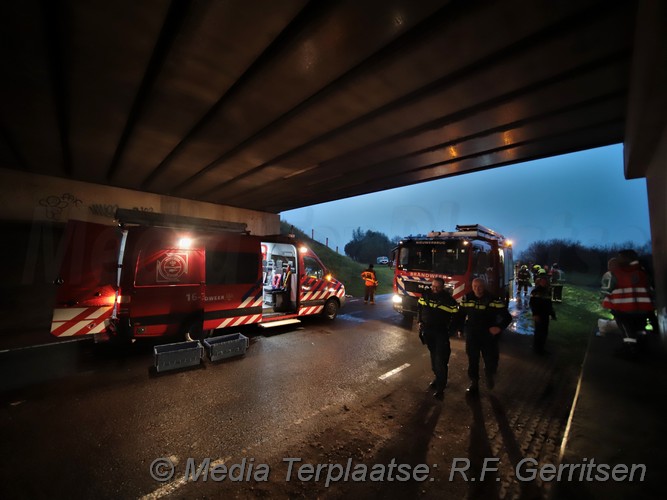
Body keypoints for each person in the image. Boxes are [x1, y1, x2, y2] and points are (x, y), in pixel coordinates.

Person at [455, 278, 512, 394]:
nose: (477, 289)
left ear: (484, 287)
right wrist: (460, 329)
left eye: (480, 286)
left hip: (488, 335)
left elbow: (507, 317)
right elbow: (460, 315)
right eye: (475, 286)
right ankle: (474, 383)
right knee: (473, 360)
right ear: (472, 287)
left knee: (490, 359)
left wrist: (499, 328)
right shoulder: (467, 298)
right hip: (472, 334)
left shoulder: (493, 299)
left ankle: (489, 376)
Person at [417, 278, 459, 400]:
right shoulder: (425, 295)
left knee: (440, 360)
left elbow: (456, 318)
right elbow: (419, 308)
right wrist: (420, 321)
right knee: (433, 357)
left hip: (441, 333)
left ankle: (441, 387)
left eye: (437, 287)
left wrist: (450, 331)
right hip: (428, 332)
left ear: (442, 287)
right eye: (433, 286)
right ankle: (437, 378)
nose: (434, 289)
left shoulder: (449, 301)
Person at [602, 249, 656, 338]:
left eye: (620, 257)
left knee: (627, 328)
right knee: (638, 328)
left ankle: (631, 346)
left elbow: (608, 289)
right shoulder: (642, 271)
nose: (618, 259)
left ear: (627, 259)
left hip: (624, 309)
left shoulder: (619, 273)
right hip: (643, 308)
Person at [529, 276, 557, 354]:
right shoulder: (535, 291)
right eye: (543, 281)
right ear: (540, 282)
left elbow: (549, 304)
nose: (544, 282)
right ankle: (537, 349)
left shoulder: (547, 291)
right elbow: (532, 303)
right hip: (539, 315)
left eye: (546, 281)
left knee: (544, 332)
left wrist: (552, 313)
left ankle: (541, 348)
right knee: (539, 332)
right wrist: (535, 314)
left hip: (545, 315)